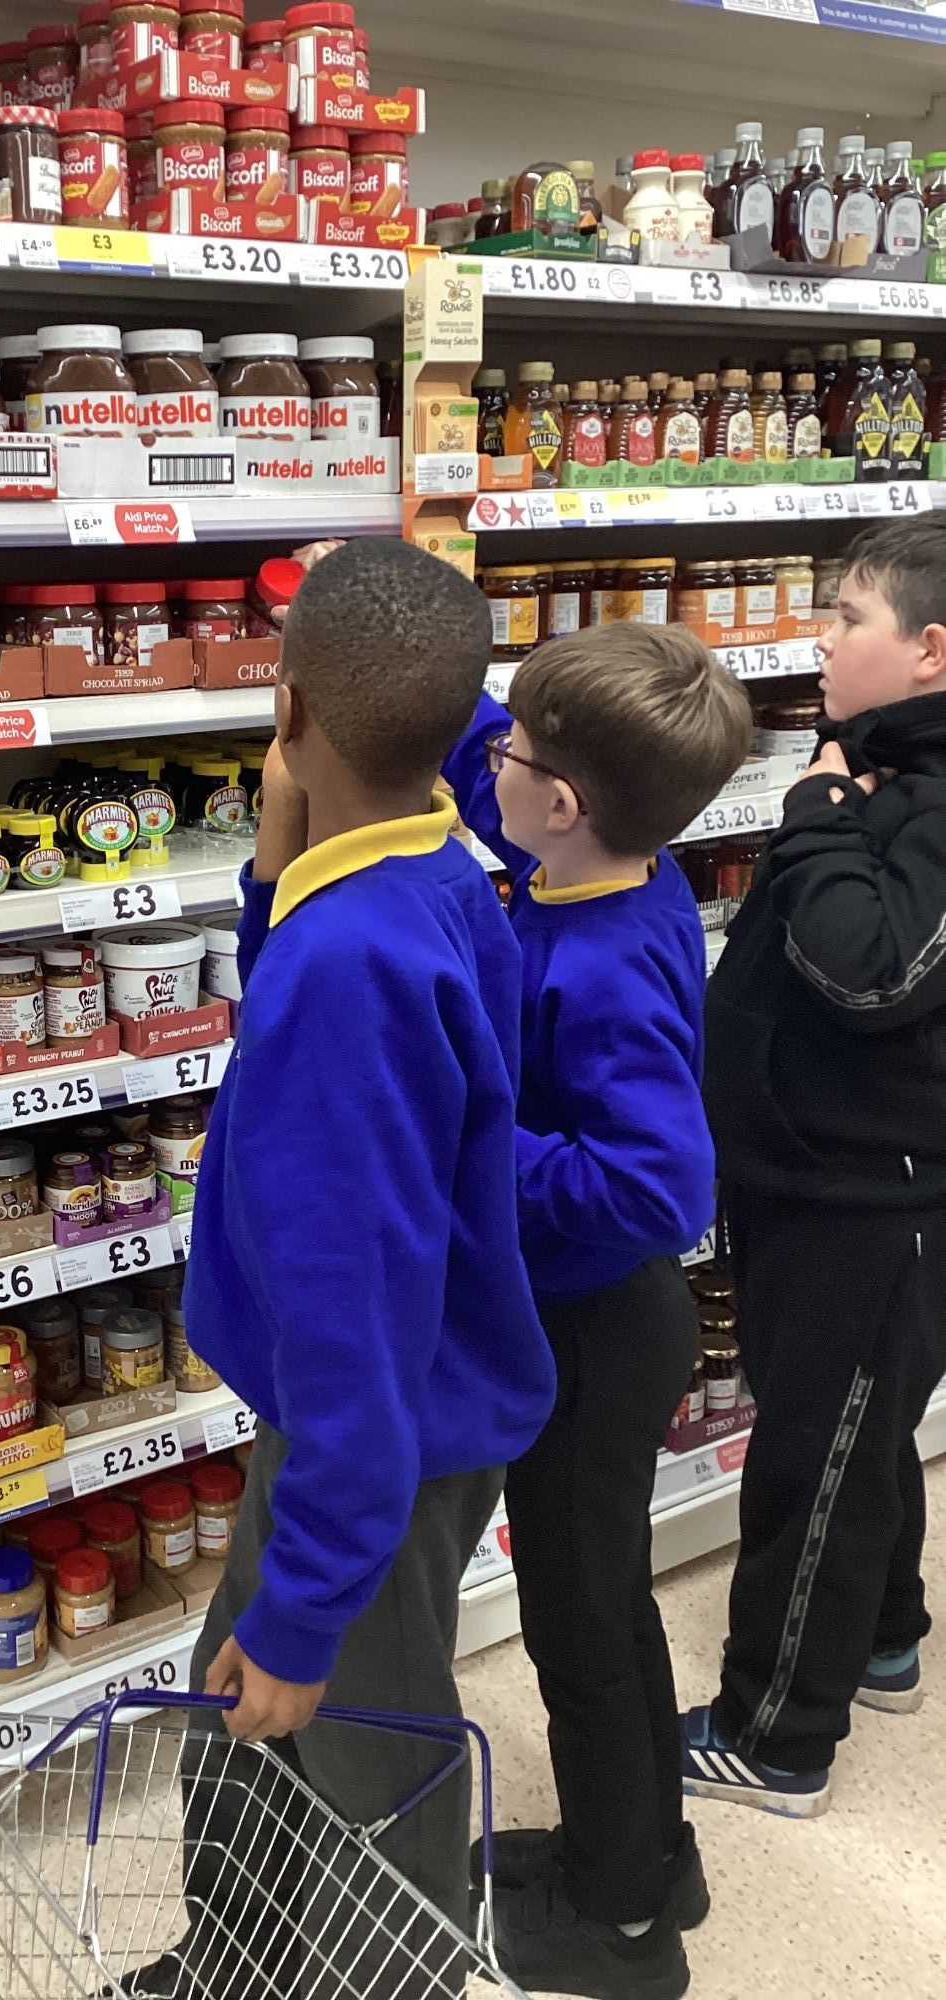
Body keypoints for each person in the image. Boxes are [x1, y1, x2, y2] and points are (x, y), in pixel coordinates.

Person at [126, 537, 556, 2000]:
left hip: (376, 1438)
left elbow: (355, 1317)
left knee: (372, 1772)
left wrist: (309, 1604)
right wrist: (272, 862)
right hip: (369, 1426)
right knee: (237, 1721)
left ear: (289, 706)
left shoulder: (348, 968)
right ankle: (235, 1962)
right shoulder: (435, 866)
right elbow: (312, 982)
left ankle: (397, 1978)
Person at [442, 623, 752, 2000]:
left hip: (594, 1327)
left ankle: (623, 1927)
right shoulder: (608, 862)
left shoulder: (602, 961)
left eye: (511, 754)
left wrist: (477, 1148)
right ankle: (647, 1855)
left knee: (579, 1629)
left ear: (560, 802)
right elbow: (493, 764)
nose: (490, 766)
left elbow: (657, 1185)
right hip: (600, 1318)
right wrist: (434, 671)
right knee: (609, 1601)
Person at [683, 510, 946, 1818]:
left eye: (849, 618)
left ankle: (777, 1735)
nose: (822, 639)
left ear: (932, 651)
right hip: (816, 1174)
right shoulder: (890, 763)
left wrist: (815, 811)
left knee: (814, 1465)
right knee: (863, 1434)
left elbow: (871, 968)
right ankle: (884, 1637)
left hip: (871, 1202)